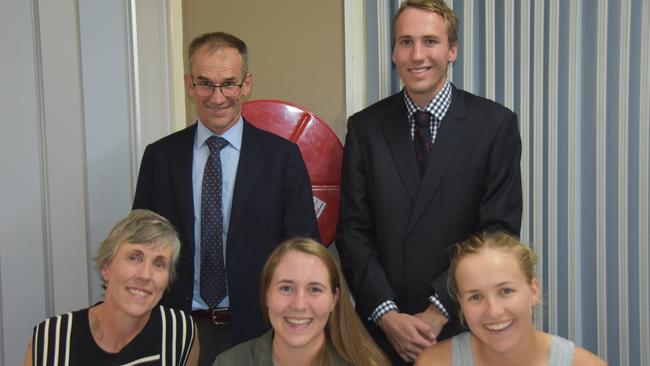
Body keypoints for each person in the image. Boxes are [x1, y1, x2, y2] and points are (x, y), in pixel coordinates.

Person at [336, 0, 523, 364]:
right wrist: (388, 315)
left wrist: (438, 311)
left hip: (464, 325)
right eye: (405, 42)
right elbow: (353, 231)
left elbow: (497, 234)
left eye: (430, 41)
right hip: (381, 336)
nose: (417, 54)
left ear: (452, 50)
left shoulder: (494, 126)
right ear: (393, 51)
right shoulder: (365, 128)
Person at [132, 32, 320, 364]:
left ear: (246, 84)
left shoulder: (282, 159)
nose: (217, 97)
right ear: (189, 84)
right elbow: (140, 249)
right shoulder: (160, 158)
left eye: (228, 84)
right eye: (205, 83)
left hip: (258, 330)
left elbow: (303, 250)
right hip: (179, 328)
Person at [23, 209, 199, 366]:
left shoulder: (178, 332)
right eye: (134, 258)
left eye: (159, 264)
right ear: (106, 267)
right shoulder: (52, 339)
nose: (145, 275)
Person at [415, 231, 606, 366]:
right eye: (475, 296)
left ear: (533, 291)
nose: (493, 311)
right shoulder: (433, 363)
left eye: (505, 291)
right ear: (461, 304)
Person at [213, 237, 389, 366]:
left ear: (334, 300)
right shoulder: (229, 362)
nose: (299, 305)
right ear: (266, 295)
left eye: (315, 289)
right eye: (286, 288)